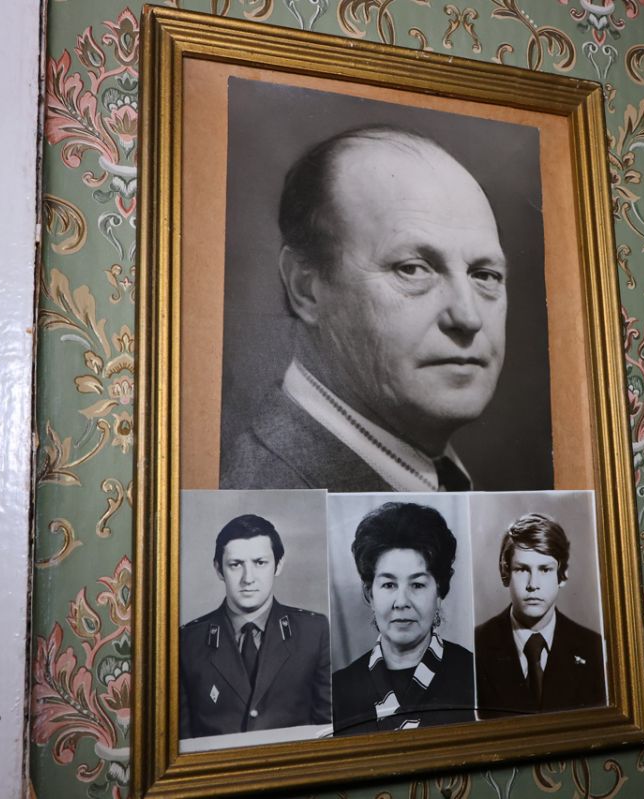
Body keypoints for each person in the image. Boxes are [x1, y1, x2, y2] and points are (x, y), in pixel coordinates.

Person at [219, 125, 508, 492]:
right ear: (305, 289)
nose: (468, 317)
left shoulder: (441, 478)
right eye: (412, 269)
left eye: (484, 275)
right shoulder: (263, 495)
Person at [179, 514, 331, 739]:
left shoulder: (314, 632)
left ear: (278, 565)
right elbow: (182, 740)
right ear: (219, 569)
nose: (248, 578)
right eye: (235, 565)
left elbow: (328, 730)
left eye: (260, 563)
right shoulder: (187, 642)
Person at [331, 502, 476, 734]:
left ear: (439, 593)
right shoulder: (338, 689)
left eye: (417, 585)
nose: (401, 602)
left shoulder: (475, 675)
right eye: (389, 585)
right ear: (370, 594)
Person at [474, 512, 606, 718]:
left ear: (562, 575)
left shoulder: (593, 649)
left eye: (545, 570)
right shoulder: (476, 646)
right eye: (522, 569)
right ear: (505, 573)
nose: (533, 584)